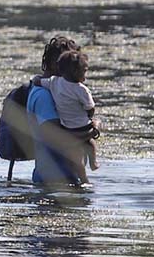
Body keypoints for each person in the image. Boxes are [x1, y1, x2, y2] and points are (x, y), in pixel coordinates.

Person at [26, 36, 89, 187]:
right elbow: (57, 139)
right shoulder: (44, 96)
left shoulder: (58, 93)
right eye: (73, 66)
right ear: (57, 64)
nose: (76, 72)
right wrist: (92, 131)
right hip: (53, 179)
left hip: (64, 177)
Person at [38, 49, 99, 175]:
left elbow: (38, 81)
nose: (85, 76)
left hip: (67, 128)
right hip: (83, 127)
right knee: (91, 141)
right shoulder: (82, 90)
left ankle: (81, 174)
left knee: (76, 155)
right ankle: (93, 163)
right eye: (84, 71)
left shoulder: (54, 82)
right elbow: (90, 107)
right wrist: (91, 117)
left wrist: (34, 80)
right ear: (76, 72)